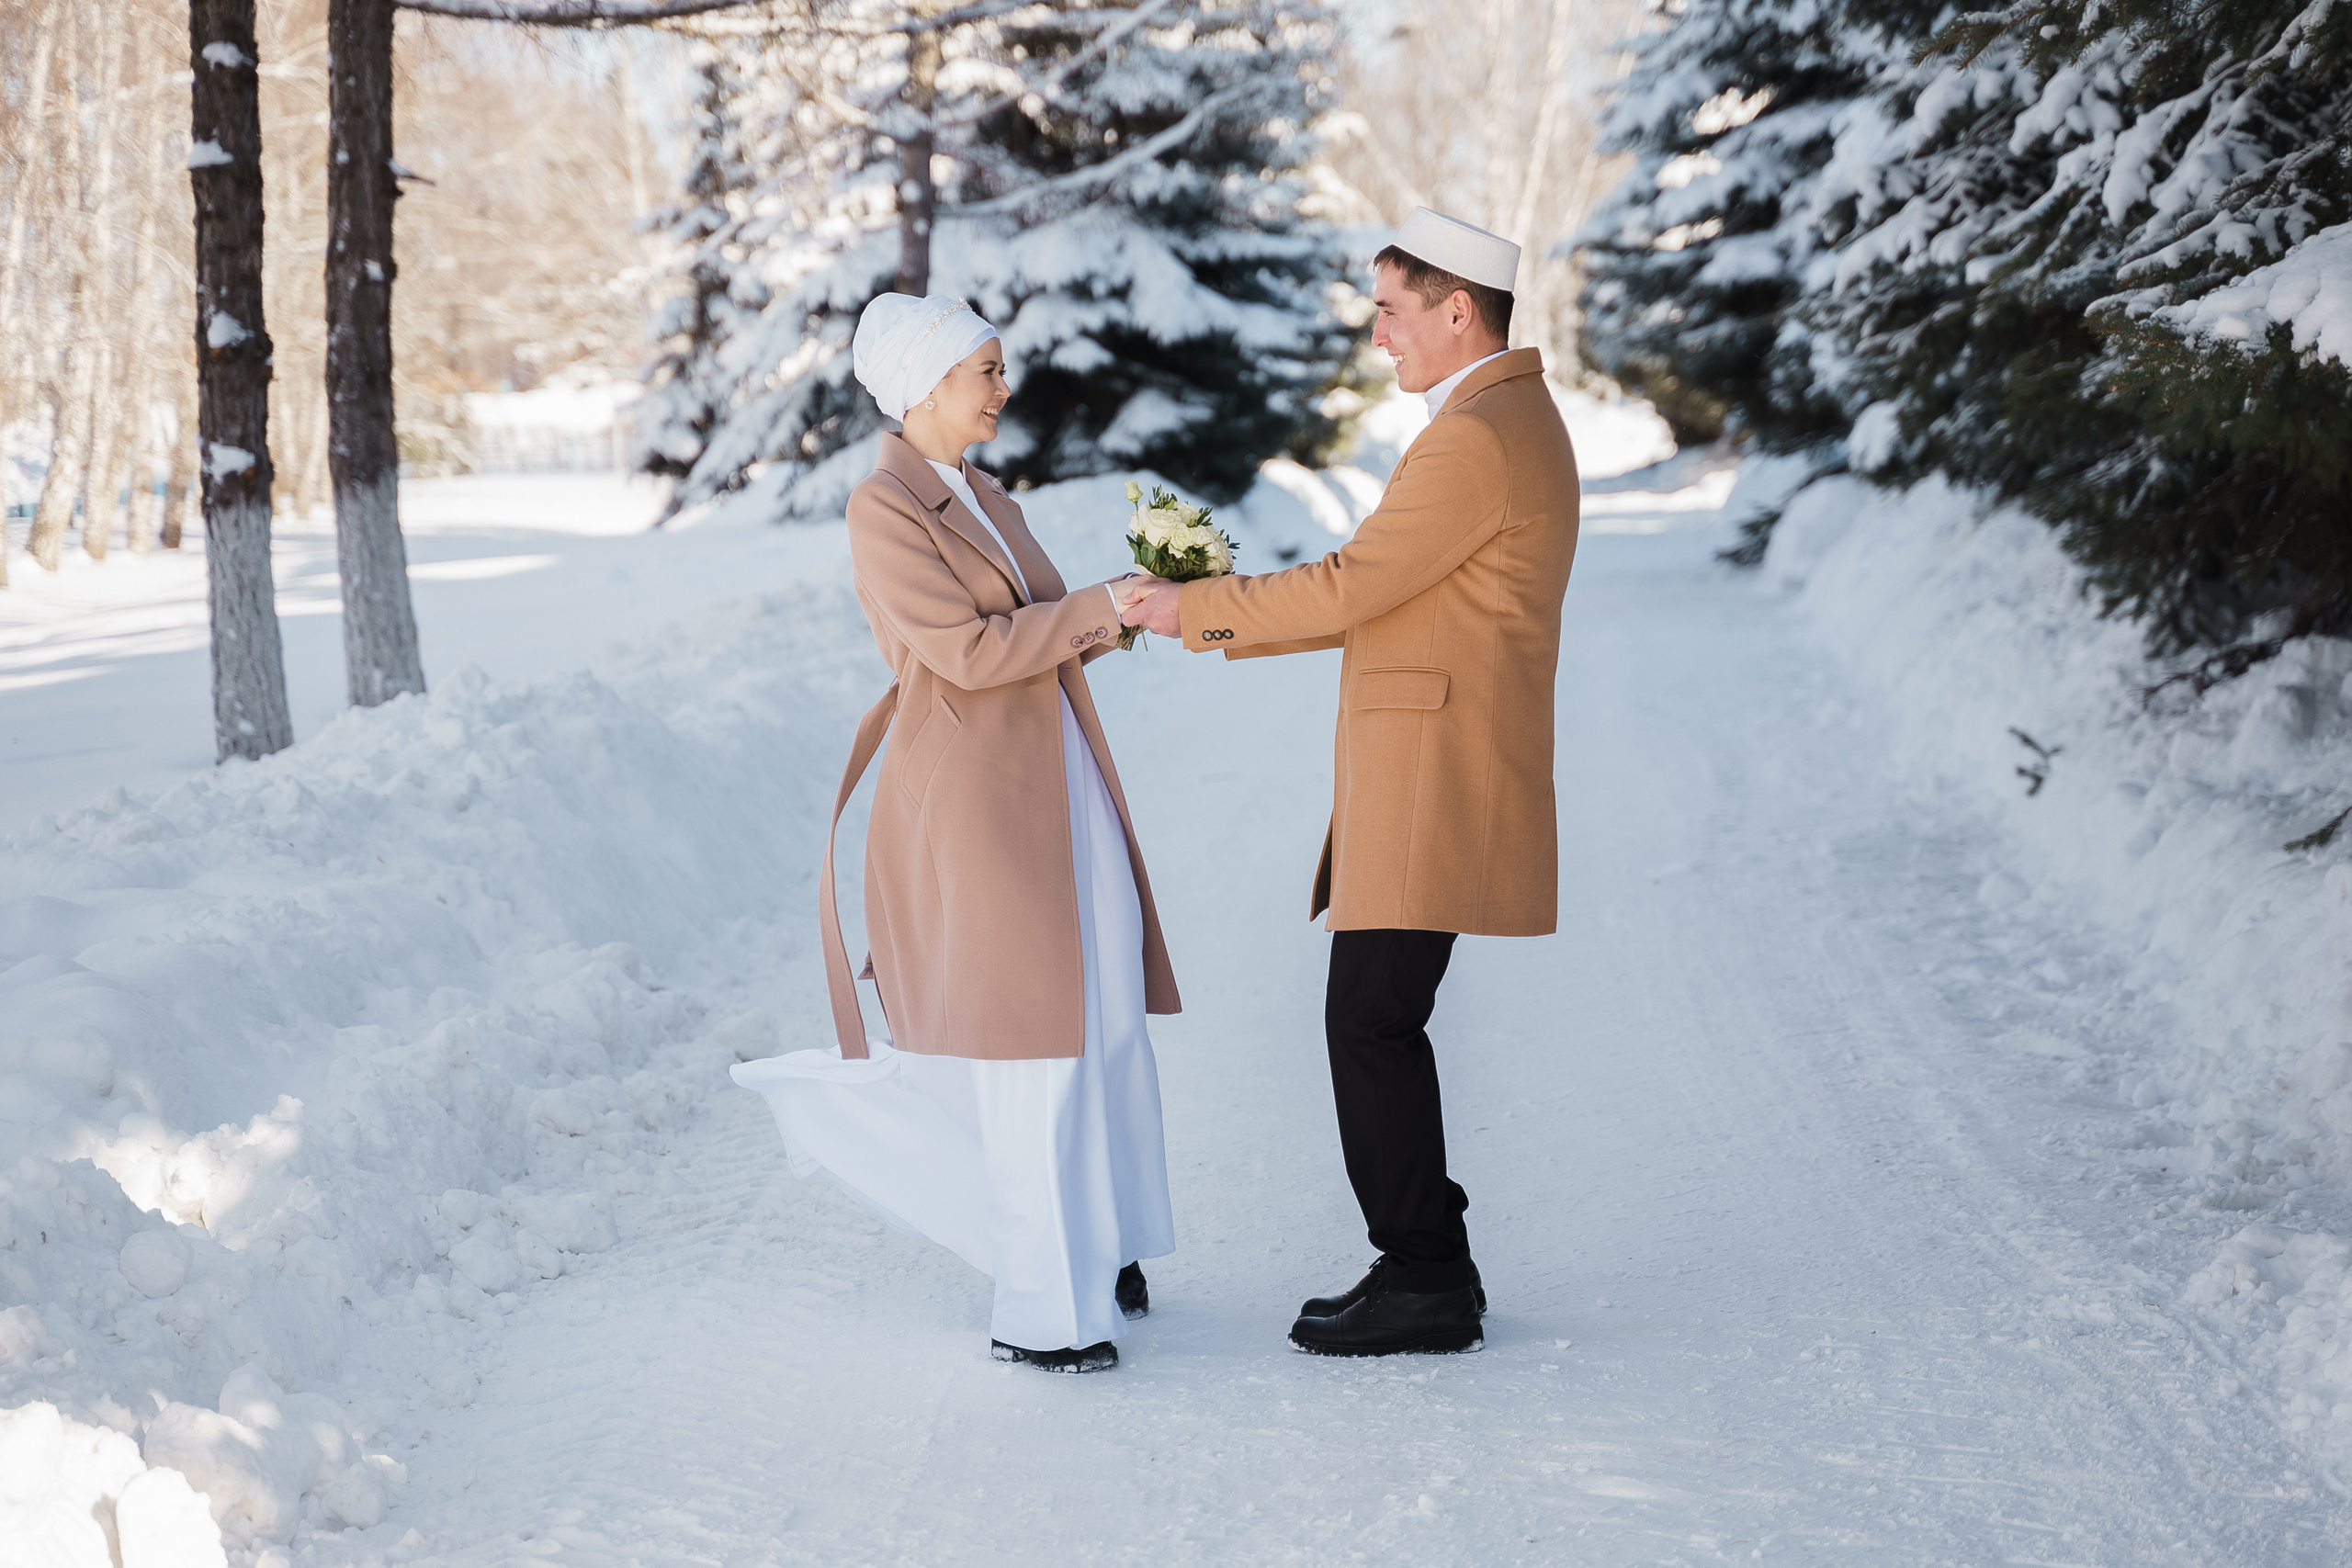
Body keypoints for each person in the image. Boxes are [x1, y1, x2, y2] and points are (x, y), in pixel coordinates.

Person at [1116, 208, 1579, 1357]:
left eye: (1389, 308)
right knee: (1381, 1016)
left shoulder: (1476, 436)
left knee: (1368, 1021)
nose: (1377, 336)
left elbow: (1350, 584)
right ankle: (1428, 1256)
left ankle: (1424, 1271)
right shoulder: (1501, 418)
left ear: (1455, 308)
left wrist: (1194, 612)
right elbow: (1380, 591)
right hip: (1441, 753)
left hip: (1437, 764)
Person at [732, 293, 1180, 1373]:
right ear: (926, 384)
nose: (1002, 386)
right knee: (1033, 1040)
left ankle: (1103, 1241)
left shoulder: (982, 492)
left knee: (1105, 1009)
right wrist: (1098, 610)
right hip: (978, 796)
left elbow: (1041, 632)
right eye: (986, 370)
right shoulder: (881, 507)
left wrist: (1132, 609)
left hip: (1058, 774)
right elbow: (970, 654)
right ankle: (1041, 1307)